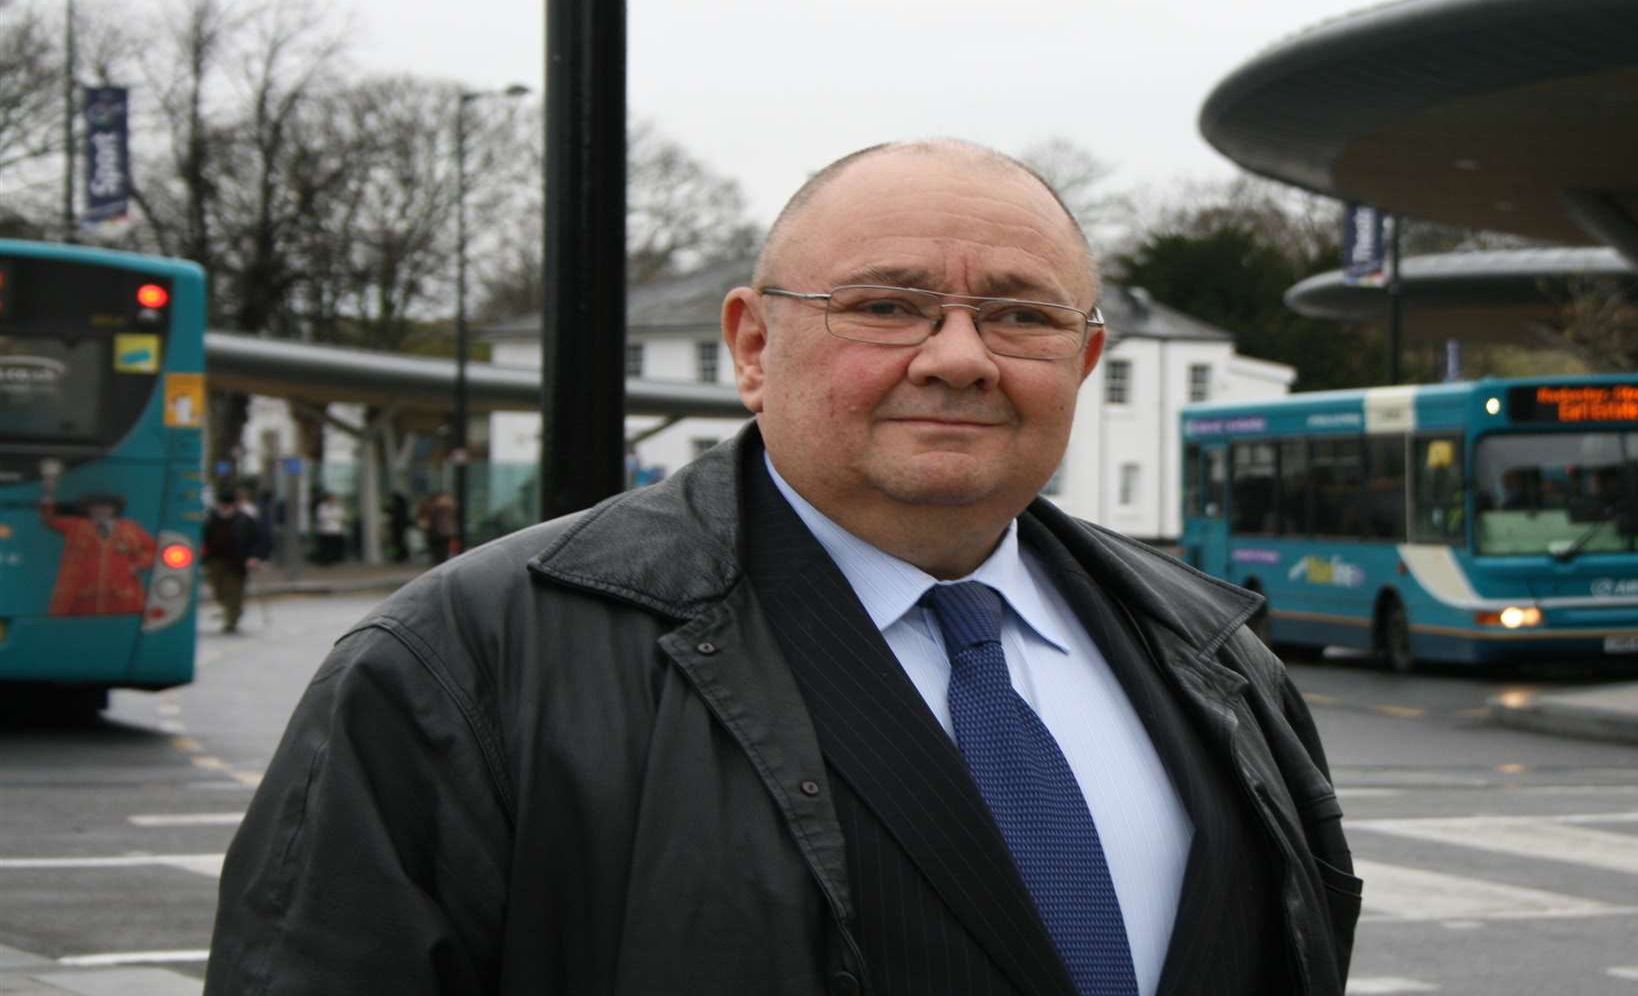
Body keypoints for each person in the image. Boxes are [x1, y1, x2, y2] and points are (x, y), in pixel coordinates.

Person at [207, 140, 1360, 996]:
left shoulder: (1217, 657)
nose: (959, 358)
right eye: (886, 306)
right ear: (754, 345)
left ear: (1086, 357)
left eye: (1018, 315)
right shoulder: (470, 661)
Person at [39, 488, 156, 617]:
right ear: (88, 509)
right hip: (85, 597)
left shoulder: (130, 528)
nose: (101, 510)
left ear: (114, 509)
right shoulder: (76, 526)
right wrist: (49, 490)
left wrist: (137, 566)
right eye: (96, 507)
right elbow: (50, 519)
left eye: (106, 507)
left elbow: (153, 550)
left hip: (121, 597)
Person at [202, 490, 264, 634]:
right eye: (223, 505)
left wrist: (254, 557)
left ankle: (231, 620)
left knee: (234, 591)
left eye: (228, 505)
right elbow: (204, 538)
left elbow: (257, 540)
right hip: (215, 560)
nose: (225, 507)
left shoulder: (245, 519)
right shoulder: (211, 519)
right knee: (218, 590)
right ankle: (231, 608)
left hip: (237, 561)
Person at [421, 491, 457, 564]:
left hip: (438, 531)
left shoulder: (435, 508)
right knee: (443, 548)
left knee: (439, 548)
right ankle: (442, 561)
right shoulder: (450, 507)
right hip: (446, 531)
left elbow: (430, 520)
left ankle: (439, 561)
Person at [313, 493, 348, 565]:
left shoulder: (339, 507)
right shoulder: (322, 506)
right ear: (327, 499)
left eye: (333, 499)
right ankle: (326, 561)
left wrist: (331, 517)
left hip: (336, 530)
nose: (332, 500)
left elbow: (342, 517)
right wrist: (333, 517)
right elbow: (321, 517)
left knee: (335, 546)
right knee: (325, 547)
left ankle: (335, 559)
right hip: (325, 530)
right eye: (331, 499)